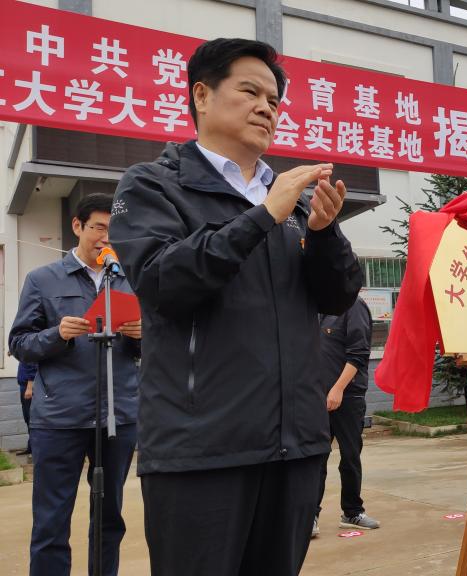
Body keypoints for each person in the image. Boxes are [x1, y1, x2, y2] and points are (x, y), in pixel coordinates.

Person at [109, 38, 362, 576]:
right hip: (201, 453)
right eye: (250, 91)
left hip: (295, 448)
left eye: (274, 99)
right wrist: (261, 216)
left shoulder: (292, 201)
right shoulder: (154, 185)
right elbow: (162, 282)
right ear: (202, 95)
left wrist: (322, 234)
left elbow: (338, 298)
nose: (266, 107)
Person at [9, 193, 142, 576]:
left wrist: (141, 336)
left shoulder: (129, 280)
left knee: (110, 518)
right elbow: (19, 343)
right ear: (77, 226)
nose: (106, 237)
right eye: (98, 227)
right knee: (51, 520)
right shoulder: (42, 279)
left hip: (117, 416)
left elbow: (152, 348)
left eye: (113, 230)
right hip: (59, 418)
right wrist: (57, 334)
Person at [314, 297, 379, 539]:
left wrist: (338, 389)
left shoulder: (354, 307)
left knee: (350, 456)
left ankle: (352, 512)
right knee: (315, 458)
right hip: (318, 397)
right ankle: (309, 515)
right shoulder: (319, 308)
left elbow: (358, 354)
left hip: (347, 396)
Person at [15, 359, 37, 456]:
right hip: (23, 386)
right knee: (27, 418)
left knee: (31, 418)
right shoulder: (23, 353)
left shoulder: (29, 353)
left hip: (28, 387)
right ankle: (30, 447)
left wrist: (29, 388)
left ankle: (35, 449)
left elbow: (33, 367)